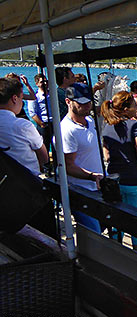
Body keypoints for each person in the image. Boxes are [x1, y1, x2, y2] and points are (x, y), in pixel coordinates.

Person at [0, 77, 55, 237]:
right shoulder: (22, 126)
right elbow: (43, 156)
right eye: (22, 99)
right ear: (14, 98)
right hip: (28, 194)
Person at [101, 91, 137, 253]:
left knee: (117, 222)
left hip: (115, 180)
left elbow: (106, 155)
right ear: (127, 108)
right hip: (136, 180)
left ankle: (117, 255)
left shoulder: (107, 128)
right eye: (134, 105)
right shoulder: (136, 126)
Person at [60, 83, 105, 233]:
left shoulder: (90, 122)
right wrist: (92, 176)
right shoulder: (67, 130)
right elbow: (68, 165)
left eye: (89, 102)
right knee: (94, 233)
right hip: (81, 192)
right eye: (82, 103)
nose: (87, 106)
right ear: (68, 102)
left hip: (98, 188)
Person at [28, 74, 52, 154]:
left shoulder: (52, 95)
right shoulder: (35, 97)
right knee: (44, 147)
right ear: (37, 84)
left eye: (46, 81)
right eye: (42, 82)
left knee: (57, 146)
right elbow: (32, 113)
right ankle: (45, 165)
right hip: (44, 124)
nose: (45, 83)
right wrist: (41, 124)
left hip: (54, 123)